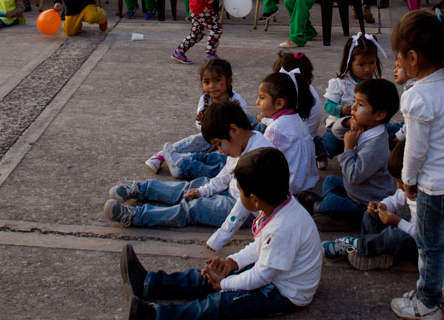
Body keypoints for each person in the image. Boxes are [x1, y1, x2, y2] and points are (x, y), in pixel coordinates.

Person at [121, 146, 321, 320]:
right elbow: (260, 248)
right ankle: (149, 283)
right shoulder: (279, 204)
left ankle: (156, 315)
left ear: (255, 200)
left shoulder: (283, 227)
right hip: (274, 271)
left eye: (239, 190)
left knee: (222, 302)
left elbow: (261, 276)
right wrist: (231, 263)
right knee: (206, 276)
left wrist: (224, 284)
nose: (237, 194)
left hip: (285, 294)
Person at [389, 9, 444, 317]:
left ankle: (426, 302)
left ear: (412, 57)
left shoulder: (417, 97)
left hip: (436, 186)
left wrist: (408, 180)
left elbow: (415, 150)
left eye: (398, 56)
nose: (397, 62)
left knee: (431, 246)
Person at [105, 102, 272, 251]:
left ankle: (137, 216)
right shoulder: (243, 143)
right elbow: (227, 173)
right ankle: (142, 189)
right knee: (190, 187)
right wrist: (203, 190)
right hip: (233, 190)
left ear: (234, 130)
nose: (220, 150)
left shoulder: (257, 157)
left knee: (194, 208)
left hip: (247, 209)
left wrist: (220, 238)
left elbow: (241, 210)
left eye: (219, 144)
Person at [307, 79, 399, 222]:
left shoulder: (376, 146)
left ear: (379, 115)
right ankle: (330, 211)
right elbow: (336, 131)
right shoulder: (366, 126)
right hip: (356, 191)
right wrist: (348, 122)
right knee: (330, 181)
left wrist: (348, 148)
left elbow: (353, 176)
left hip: (367, 203)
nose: (353, 107)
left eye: (360, 104)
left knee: (333, 203)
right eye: (354, 101)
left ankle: (319, 208)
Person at [144, 58, 248, 177]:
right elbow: (200, 126)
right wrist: (203, 122)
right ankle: (161, 156)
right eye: (206, 82)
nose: (212, 86)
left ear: (229, 81)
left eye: (217, 80)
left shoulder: (237, 101)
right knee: (194, 140)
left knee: (217, 158)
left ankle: (183, 160)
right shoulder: (205, 100)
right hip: (209, 138)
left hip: (229, 142)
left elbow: (241, 127)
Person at [323, 139, 417, 270]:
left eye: (401, 182)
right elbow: (396, 200)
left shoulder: (430, 198)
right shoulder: (409, 186)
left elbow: (424, 235)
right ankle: (373, 254)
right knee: (370, 215)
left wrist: (397, 222)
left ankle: (356, 246)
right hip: (407, 230)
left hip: (418, 244)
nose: (398, 186)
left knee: (393, 237)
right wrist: (383, 205)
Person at [321, 34, 385, 158]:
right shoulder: (341, 83)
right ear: (349, 63)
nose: (367, 69)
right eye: (361, 65)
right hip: (341, 126)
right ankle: (321, 151)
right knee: (330, 143)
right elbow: (328, 105)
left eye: (372, 63)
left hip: (367, 127)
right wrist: (341, 109)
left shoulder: (376, 84)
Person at [258, 71, 318, 195]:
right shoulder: (296, 118)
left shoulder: (275, 130)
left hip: (288, 190)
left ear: (279, 103)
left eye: (262, 97)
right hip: (307, 185)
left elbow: (261, 163)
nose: (257, 102)